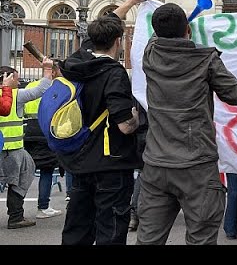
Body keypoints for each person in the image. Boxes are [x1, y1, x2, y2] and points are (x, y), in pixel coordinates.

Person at [137, 3, 237, 245]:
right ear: (188, 30)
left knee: (148, 239)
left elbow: (157, 36)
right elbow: (235, 93)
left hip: (156, 163)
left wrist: (178, 27)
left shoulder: (150, 55)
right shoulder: (206, 60)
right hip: (197, 166)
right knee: (201, 239)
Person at [57, 16, 141, 245]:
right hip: (111, 162)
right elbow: (124, 126)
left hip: (79, 158)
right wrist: (135, 117)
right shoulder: (113, 72)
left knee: (77, 228)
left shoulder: (75, 65)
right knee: (110, 230)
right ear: (118, 41)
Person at [0, 60, 54, 229]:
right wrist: (47, 69)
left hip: (11, 149)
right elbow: (41, 89)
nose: (19, 81)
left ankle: (16, 216)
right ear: (7, 78)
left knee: (26, 169)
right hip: (12, 149)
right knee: (22, 177)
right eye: (16, 78)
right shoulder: (16, 95)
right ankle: (15, 216)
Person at [23, 63, 65, 219]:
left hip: (29, 130)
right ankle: (43, 207)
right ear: (53, 72)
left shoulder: (32, 85)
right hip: (45, 129)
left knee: (27, 170)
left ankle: (17, 206)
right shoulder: (56, 87)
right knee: (47, 169)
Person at [128, 98, 148, 232]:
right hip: (147, 131)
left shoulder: (135, 84)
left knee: (143, 173)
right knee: (144, 173)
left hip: (138, 131)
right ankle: (135, 212)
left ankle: (134, 213)